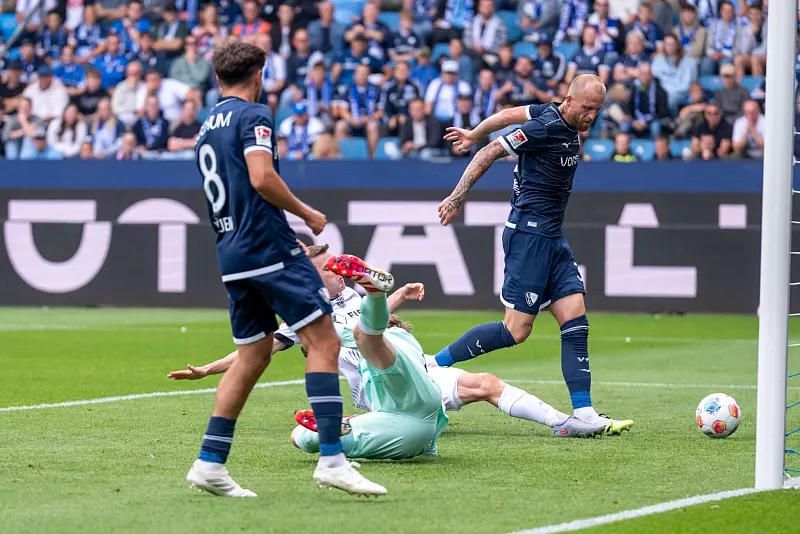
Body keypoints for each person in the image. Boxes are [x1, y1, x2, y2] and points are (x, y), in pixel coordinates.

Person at [187, 40, 385, 498]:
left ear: (217, 78)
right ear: (258, 75)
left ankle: (210, 462)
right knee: (324, 341)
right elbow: (261, 177)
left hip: (231, 251)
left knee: (254, 355)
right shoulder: (254, 115)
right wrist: (306, 213)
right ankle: (333, 459)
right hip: (267, 246)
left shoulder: (205, 128)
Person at [434, 74, 634, 435]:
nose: (592, 116)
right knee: (515, 331)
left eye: (598, 109)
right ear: (570, 101)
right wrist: (456, 197)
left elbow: (507, 114)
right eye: (587, 108)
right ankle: (432, 364)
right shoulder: (544, 127)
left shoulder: (550, 112)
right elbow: (490, 152)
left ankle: (585, 413)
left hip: (554, 237)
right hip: (529, 236)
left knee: (576, 321)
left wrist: (474, 131)